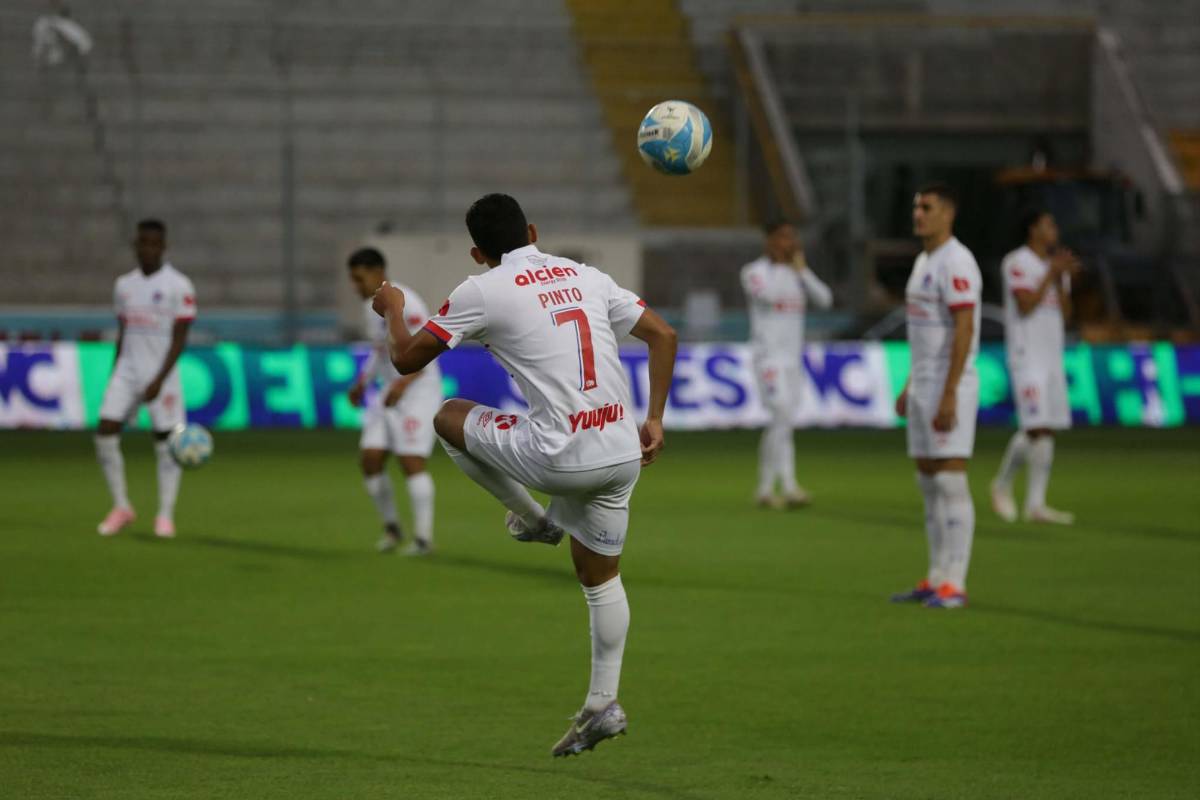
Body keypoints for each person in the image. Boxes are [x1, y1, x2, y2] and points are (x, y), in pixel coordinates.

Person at [371, 193, 677, 757]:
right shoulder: (586, 275)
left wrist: (392, 305)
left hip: (558, 456)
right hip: (621, 449)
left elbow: (407, 359)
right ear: (533, 230)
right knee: (600, 576)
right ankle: (602, 703)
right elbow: (664, 335)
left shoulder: (480, 289)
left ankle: (535, 522)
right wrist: (654, 418)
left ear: (477, 251)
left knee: (447, 416)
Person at [891, 184, 981, 610]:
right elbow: (926, 333)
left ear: (949, 213)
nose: (919, 214)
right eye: (916, 206)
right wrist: (912, 383)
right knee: (928, 483)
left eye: (927, 207)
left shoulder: (957, 260)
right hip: (925, 384)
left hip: (951, 385)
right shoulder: (924, 261)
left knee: (949, 479)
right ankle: (937, 576)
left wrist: (949, 392)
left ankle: (956, 584)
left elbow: (965, 328)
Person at [94, 219, 196, 538]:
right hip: (127, 370)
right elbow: (124, 332)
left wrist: (158, 380)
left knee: (165, 441)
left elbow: (180, 338)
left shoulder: (179, 286)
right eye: (143, 243)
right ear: (135, 245)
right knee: (105, 431)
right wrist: (115, 374)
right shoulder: (124, 285)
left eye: (154, 243)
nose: (148, 248)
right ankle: (122, 506)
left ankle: (165, 514)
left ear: (164, 247)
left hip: (161, 373)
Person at [346, 247, 442, 554]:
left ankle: (424, 539)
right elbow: (379, 348)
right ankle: (391, 529)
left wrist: (406, 381)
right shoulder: (370, 306)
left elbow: (427, 348)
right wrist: (363, 381)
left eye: (359, 278)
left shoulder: (407, 302)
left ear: (378, 272)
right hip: (389, 390)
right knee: (370, 459)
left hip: (418, 390)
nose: (356, 286)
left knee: (411, 460)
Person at [990, 209, 1080, 524]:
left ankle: (1036, 504)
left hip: (1052, 355)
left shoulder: (1055, 267)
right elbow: (1025, 306)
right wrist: (1049, 275)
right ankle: (1001, 486)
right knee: (1034, 426)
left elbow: (1067, 314)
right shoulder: (1017, 263)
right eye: (1048, 224)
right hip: (1026, 355)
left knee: (1047, 429)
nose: (1054, 229)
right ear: (1032, 229)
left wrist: (1059, 277)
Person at [739, 219, 833, 509]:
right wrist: (784, 266)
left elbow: (825, 300)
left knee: (784, 422)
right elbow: (767, 296)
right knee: (780, 413)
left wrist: (801, 270)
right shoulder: (754, 272)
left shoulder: (798, 274)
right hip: (768, 358)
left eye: (792, 237)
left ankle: (775, 488)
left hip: (793, 359)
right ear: (769, 241)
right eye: (782, 238)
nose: (789, 243)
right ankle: (776, 486)